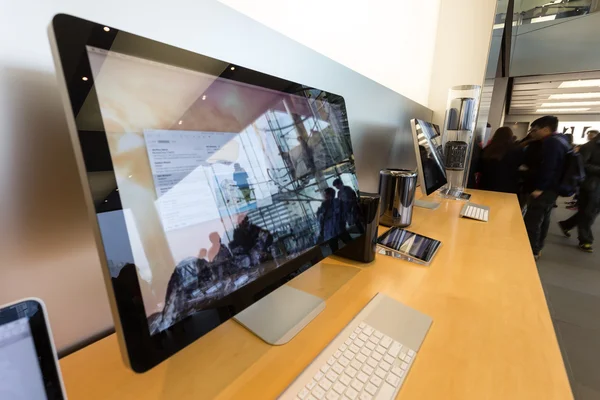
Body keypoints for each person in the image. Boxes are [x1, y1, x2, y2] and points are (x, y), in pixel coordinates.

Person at [522, 116, 568, 260]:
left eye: (535, 130)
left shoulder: (551, 142)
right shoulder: (562, 140)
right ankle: (538, 247)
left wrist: (539, 188)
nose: (532, 133)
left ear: (546, 129)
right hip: (553, 189)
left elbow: (549, 167)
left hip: (545, 189)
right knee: (544, 218)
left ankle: (531, 250)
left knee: (533, 220)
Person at [558, 130, 600, 252]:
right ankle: (585, 240)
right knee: (588, 212)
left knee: (590, 211)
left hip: (596, 184)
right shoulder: (590, 146)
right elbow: (581, 165)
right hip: (590, 185)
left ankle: (567, 224)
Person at [478, 127, 524, 194]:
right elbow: (519, 165)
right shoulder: (516, 149)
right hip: (508, 186)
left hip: (487, 184)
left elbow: (480, 167)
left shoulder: (488, 149)